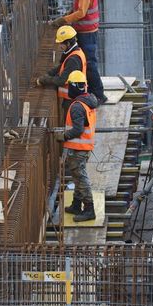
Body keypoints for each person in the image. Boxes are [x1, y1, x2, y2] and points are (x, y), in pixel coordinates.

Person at [50, 0, 106, 104]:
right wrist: (67, 15)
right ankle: (92, 92)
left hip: (87, 33)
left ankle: (99, 95)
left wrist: (63, 20)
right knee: (86, 63)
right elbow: (77, 8)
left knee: (90, 64)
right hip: (84, 31)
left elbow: (81, 13)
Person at [55, 70, 98, 222]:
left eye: (69, 87)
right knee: (77, 177)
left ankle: (89, 209)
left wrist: (64, 136)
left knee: (81, 179)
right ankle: (76, 204)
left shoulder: (77, 106)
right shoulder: (88, 101)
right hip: (84, 148)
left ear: (74, 87)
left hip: (79, 149)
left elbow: (78, 129)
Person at [35, 25, 87, 113]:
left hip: (73, 99)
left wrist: (44, 80)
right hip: (74, 96)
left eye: (61, 43)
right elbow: (62, 66)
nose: (59, 46)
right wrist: (49, 73)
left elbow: (61, 80)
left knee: (69, 121)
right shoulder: (74, 52)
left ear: (68, 43)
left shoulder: (73, 60)